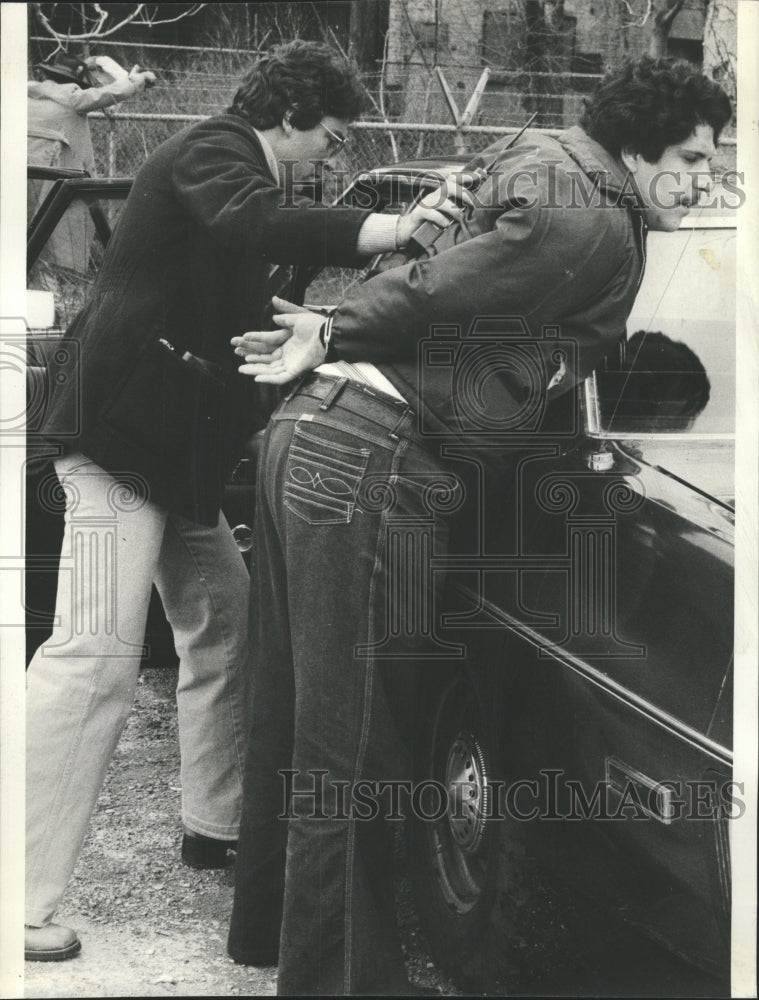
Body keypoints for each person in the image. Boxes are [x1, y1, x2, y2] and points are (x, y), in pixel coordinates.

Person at [225, 56, 732, 995]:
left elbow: (444, 265)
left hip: (321, 434)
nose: (702, 180)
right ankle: (337, 985)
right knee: (358, 747)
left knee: (303, 721)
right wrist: (334, 328)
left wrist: (334, 339)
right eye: (693, 158)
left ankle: (277, 941)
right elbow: (441, 289)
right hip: (372, 450)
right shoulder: (591, 217)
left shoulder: (536, 150)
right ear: (636, 146)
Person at [24, 40, 464, 964]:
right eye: (332, 136)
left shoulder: (240, 165)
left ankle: (215, 823)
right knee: (94, 657)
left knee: (224, 621)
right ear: (291, 115)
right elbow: (252, 224)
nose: (333, 156)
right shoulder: (212, 150)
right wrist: (388, 232)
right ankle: (19, 901)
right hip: (113, 444)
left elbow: (262, 273)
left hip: (173, 459)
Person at [28, 51, 156, 281]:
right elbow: (108, 94)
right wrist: (137, 81)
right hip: (58, 185)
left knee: (27, 244)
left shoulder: (27, 98)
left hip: (25, 180)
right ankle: (55, 301)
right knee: (57, 247)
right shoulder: (72, 98)